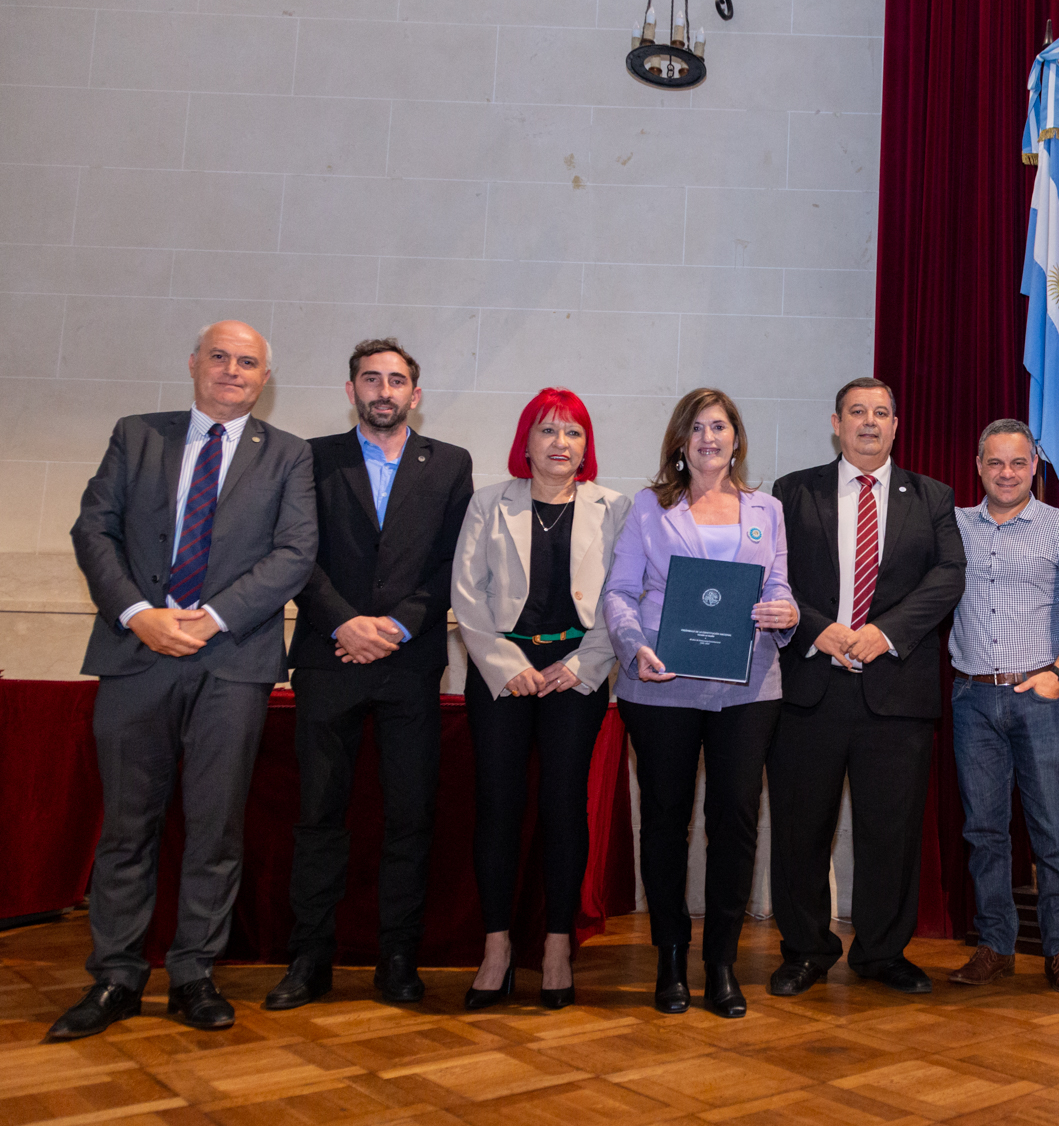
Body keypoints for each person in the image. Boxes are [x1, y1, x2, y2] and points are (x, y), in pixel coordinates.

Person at [53, 321, 317, 1039]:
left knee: (215, 826)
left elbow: (295, 553)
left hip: (232, 661)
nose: (232, 370)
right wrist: (138, 614)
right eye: (220, 357)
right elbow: (93, 530)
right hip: (135, 655)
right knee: (126, 826)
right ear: (194, 363)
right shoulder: (137, 434)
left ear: (264, 378)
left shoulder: (288, 454)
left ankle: (194, 972)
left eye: (248, 362)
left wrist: (213, 618)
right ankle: (115, 976)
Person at [265, 338, 474, 1012]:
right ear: (351, 388)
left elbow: (454, 561)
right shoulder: (310, 456)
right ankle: (310, 959)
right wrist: (345, 624)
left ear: (416, 393)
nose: (384, 390)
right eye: (371, 378)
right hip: (329, 659)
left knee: (409, 816)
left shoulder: (450, 463)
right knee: (319, 816)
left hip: (409, 664)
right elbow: (295, 552)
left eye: (396, 380)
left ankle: (398, 957)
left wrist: (396, 627)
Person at [767, 376, 966, 996]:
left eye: (881, 412)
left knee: (891, 832)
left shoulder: (931, 496)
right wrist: (818, 628)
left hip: (896, 690)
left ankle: (881, 952)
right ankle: (805, 949)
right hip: (810, 688)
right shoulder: (792, 492)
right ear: (836, 423)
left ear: (896, 425)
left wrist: (884, 633)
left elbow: (949, 574)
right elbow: (771, 575)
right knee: (800, 830)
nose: (870, 422)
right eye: (857, 412)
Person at [604, 388, 799, 1019]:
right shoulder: (649, 506)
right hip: (661, 684)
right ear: (680, 442)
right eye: (696, 428)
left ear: (736, 438)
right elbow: (619, 591)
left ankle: (721, 963)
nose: (708, 437)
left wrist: (787, 612)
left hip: (747, 688)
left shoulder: (767, 509)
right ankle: (669, 957)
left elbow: (779, 586)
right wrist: (632, 645)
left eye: (719, 426)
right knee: (664, 821)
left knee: (735, 822)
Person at [450, 389, 632, 1010]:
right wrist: (509, 667)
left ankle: (557, 945)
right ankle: (496, 948)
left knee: (564, 806)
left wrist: (581, 665)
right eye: (548, 430)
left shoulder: (614, 508)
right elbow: (467, 594)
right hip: (503, 676)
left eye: (573, 432)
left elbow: (622, 598)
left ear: (586, 446)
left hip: (575, 675)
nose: (560, 443)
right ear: (525, 440)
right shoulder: (488, 503)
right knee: (498, 806)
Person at [945, 420, 1059, 998]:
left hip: (1039, 695)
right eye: (996, 462)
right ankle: (995, 945)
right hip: (972, 695)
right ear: (979, 466)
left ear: (1034, 467)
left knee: (1053, 829)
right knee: (984, 830)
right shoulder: (952, 526)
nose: (1007, 473)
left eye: (1018, 462)